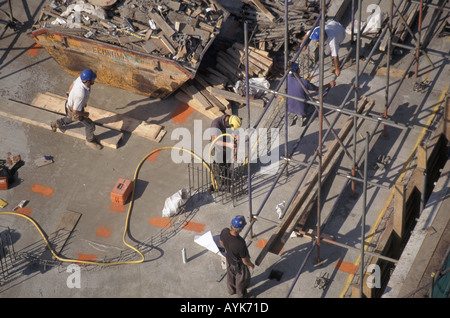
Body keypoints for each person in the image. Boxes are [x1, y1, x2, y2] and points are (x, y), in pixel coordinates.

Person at [50, 69, 103, 150]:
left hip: (71, 106)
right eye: (93, 78)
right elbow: (75, 111)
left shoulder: (81, 79)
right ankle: (90, 141)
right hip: (74, 110)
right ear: (88, 81)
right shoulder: (80, 94)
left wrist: (69, 92)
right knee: (90, 126)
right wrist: (85, 114)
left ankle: (56, 124)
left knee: (70, 118)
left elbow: (72, 84)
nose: (94, 79)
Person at [220, 215, 255, 298]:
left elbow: (221, 242)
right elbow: (244, 260)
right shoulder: (240, 243)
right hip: (239, 266)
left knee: (231, 277)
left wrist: (229, 249)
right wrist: (251, 265)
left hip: (229, 260)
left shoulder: (224, 231)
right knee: (241, 281)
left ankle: (231, 291)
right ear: (241, 229)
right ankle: (242, 295)